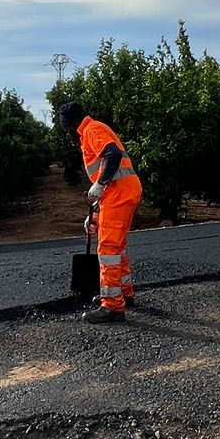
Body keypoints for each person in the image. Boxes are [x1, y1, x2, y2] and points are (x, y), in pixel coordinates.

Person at [56, 102, 141, 325]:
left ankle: (113, 306)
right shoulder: (92, 129)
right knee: (118, 246)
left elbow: (112, 156)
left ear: (71, 125)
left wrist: (100, 184)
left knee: (108, 250)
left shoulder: (91, 130)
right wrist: (94, 212)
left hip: (118, 194)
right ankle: (124, 294)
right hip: (119, 193)